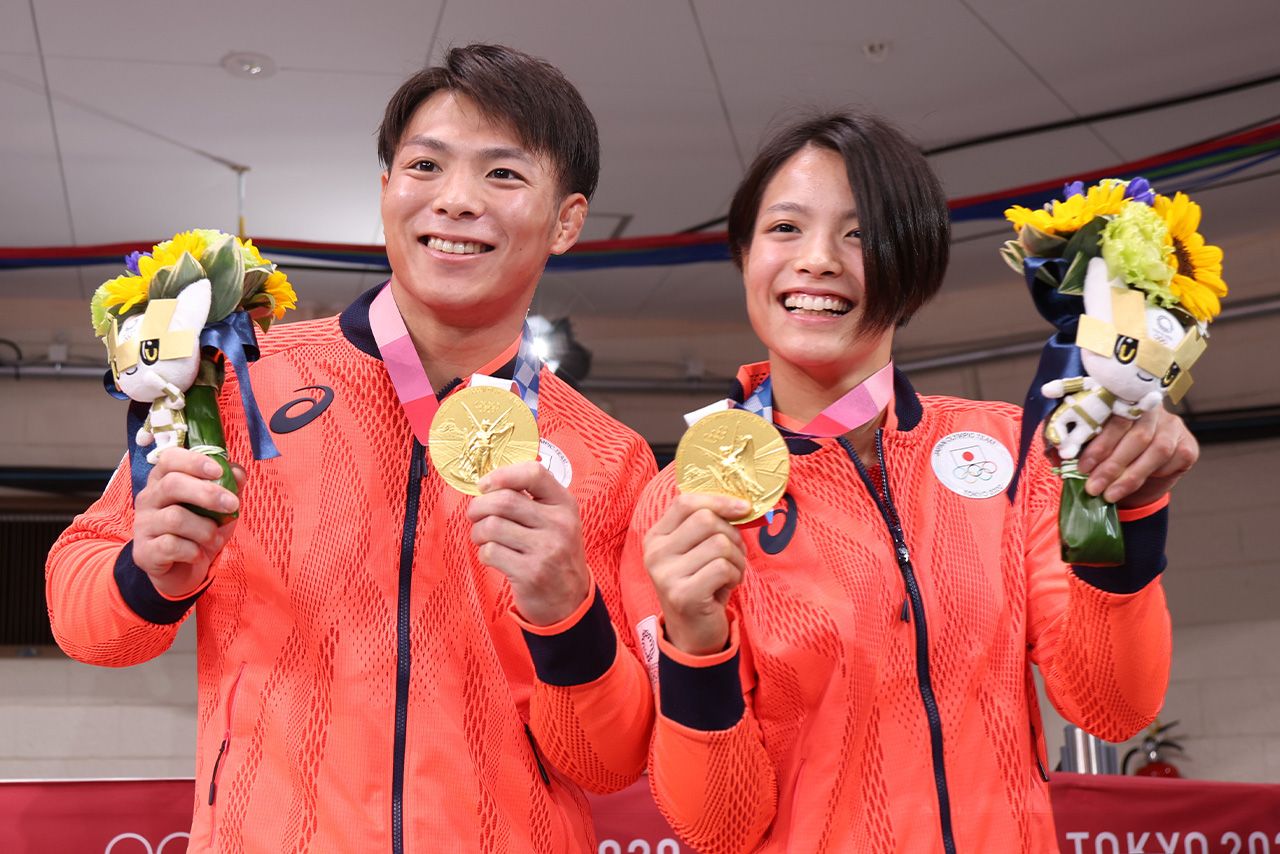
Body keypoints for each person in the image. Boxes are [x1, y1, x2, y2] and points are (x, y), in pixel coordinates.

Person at [46, 44, 656, 852]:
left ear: (568, 221)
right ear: (386, 189)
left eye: (503, 174)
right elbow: (86, 622)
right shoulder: (242, 386)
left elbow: (608, 762)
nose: (456, 200)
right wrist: (146, 574)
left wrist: (567, 613)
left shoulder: (610, 459)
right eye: (426, 165)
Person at [619, 113, 1193, 852]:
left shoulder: (1015, 451)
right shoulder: (683, 503)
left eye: (860, 235)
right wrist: (693, 645)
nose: (818, 260)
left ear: (914, 266)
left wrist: (1134, 511)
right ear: (745, 256)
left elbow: (1111, 706)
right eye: (785, 228)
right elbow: (716, 826)